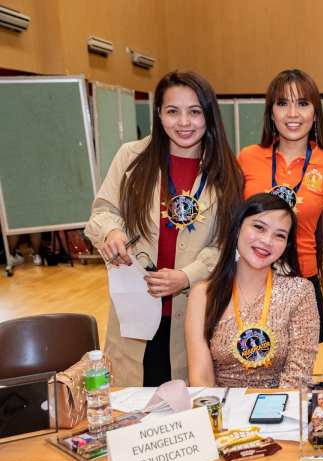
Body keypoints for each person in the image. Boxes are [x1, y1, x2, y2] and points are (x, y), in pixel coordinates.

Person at [85, 71, 243, 386]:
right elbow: (103, 211)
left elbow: (227, 245)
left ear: (209, 115)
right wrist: (112, 232)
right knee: (130, 400)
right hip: (135, 307)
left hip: (193, 312)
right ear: (158, 113)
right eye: (173, 111)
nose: (183, 122)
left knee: (186, 403)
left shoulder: (227, 171)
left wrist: (187, 276)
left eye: (194, 112)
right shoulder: (131, 158)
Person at [238, 69, 323, 342]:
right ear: (271, 113)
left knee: (300, 366)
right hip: (251, 280)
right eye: (283, 103)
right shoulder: (248, 158)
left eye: (303, 103)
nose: (293, 114)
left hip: (303, 282)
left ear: (315, 113)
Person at [185, 194, 319, 388]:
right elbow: (201, 378)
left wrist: (269, 408)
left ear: (286, 245)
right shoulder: (203, 294)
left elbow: (297, 377)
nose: (267, 240)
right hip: (222, 404)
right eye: (259, 227)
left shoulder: (300, 292)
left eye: (280, 235)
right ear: (238, 228)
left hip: (281, 404)